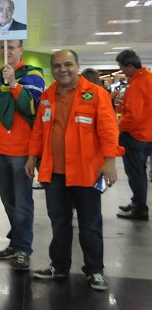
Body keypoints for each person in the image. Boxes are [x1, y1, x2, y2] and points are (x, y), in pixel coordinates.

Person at [26, 49, 122, 291]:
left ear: (77, 66)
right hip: (54, 172)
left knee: (90, 223)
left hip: (86, 171)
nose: (63, 70)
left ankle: (94, 270)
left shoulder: (96, 94)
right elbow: (39, 130)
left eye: (68, 64)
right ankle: (58, 265)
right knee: (59, 222)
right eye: (57, 66)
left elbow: (109, 130)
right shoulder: (47, 96)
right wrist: (31, 157)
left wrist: (110, 161)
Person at [0, 40, 45, 271]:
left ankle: (23, 249)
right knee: (8, 201)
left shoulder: (33, 75)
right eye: (2, 47)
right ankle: (16, 242)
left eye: (11, 47)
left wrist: (13, 83)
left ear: (21, 50)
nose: (7, 51)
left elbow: (32, 108)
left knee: (23, 203)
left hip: (22, 150)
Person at [115, 50, 152, 221]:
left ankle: (139, 208)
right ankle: (137, 201)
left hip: (136, 136)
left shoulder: (137, 85)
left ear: (130, 66)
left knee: (136, 173)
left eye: (122, 67)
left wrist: (120, 128)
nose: (121, 71)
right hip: (148, 134)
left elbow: (133, 116)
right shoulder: (149, 78)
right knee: (141, 172)